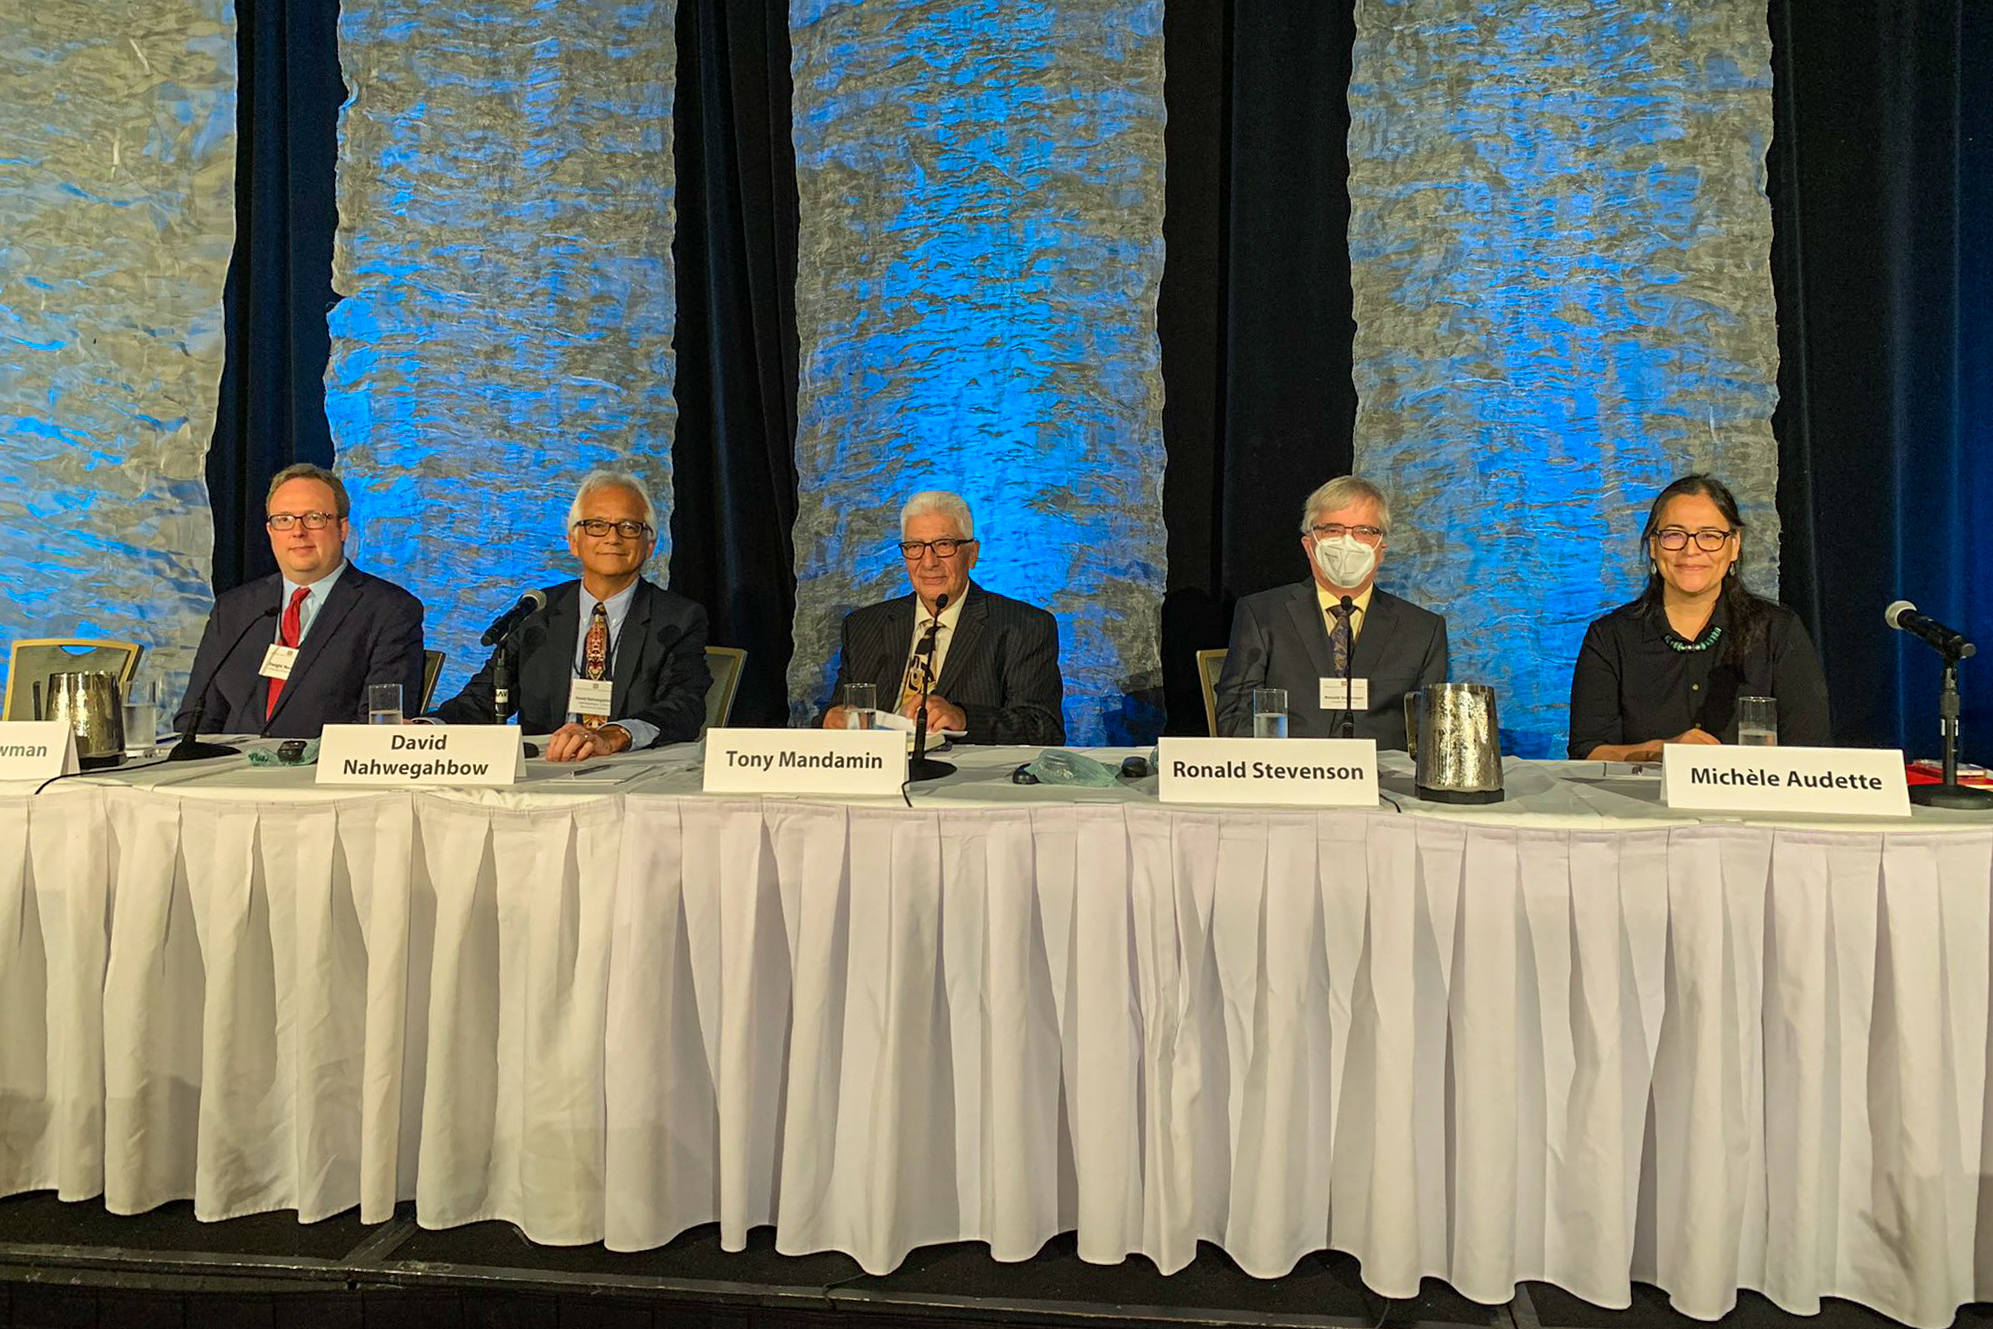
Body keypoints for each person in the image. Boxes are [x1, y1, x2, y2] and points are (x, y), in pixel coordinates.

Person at [431, 470, 710, 761]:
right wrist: (427, 728)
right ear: (574, 542)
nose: (612, 537)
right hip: (545, 768)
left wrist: (613, 736)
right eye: (597, 525)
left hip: (630, 768)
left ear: (649, 545)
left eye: (628, 526)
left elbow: (685, 706)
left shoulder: (678, 619)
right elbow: (483, 697)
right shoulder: (537, 611)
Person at [1567, 473, 1830, 760]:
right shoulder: (1610, 638)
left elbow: (1811, 754)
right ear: (1653, 546)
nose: (1691, 550)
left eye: (1709, 536)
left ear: (1734, 545)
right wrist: (1663, 751)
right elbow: (1587, 753)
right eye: (1674, 535)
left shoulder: (1777, 632)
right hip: (1637, 804)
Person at [176, 463, 425, 739]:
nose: (298, 532)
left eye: (314, 518)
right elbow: (196, 720)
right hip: (228, 776)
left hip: (319, 776)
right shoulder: (234, 609)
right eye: (284, 520)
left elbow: (378, 731)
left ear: (342, 529)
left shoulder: (390, 610)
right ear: (270, 531)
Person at [1213, 475, 1448, 746]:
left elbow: (1432, 734)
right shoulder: (1261, 614)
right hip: (1289, 777)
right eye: (1333, 530)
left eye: (1364, 531)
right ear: (1309, 545)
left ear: (1381, 549)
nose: (1348, 542)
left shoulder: (1423, 630)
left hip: (1383, 781)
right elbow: (1234, 717)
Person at [821, 490, 1065, 745]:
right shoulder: (863, 626)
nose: (928, 562)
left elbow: (1044, 728)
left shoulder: (1023, 626)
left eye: (943, 545)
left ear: (971, 554)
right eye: (915, 547)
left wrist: (964, 718)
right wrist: (830, 720)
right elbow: (836, 716)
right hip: (875, 771)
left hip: (966, 776)